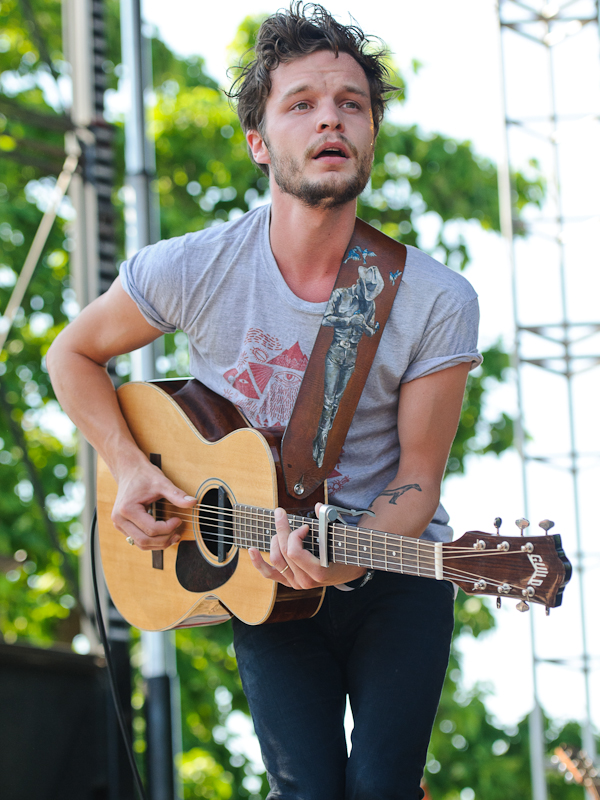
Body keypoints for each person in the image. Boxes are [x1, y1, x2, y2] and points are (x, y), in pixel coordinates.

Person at [47, 4, 482, 798]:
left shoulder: (434, 298)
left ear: (372, 133)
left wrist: (338, 560)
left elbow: (418, 481)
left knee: (383, 787)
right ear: (259, 143)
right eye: (303, 103)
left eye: (352, 103)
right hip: (257, 572)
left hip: (394, 575)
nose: (331, 119)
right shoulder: (194, 267)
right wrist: (131, 466)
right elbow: (70, 355)